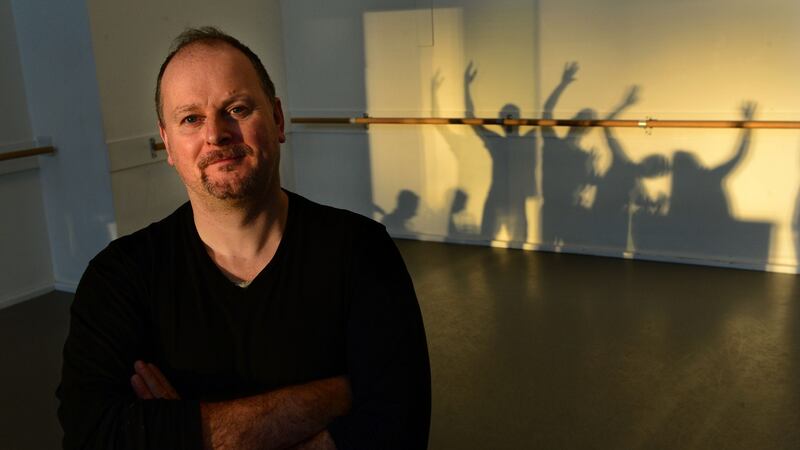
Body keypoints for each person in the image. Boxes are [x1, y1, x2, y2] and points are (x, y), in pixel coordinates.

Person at [56, 27, 431, 450]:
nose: (216, 134)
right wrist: (334, 397)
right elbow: (93, 433)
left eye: (236, 108)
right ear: (168, 144)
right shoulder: (119, 277)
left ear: (277, 119)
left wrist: (175, 430)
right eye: (191, 119)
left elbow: (399, 428)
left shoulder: (362, 251)